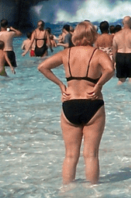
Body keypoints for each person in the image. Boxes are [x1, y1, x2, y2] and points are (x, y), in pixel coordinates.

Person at [37, 21, 115, 184]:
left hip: (70, 102)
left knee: (70, 155)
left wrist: (61, 85)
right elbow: (110, 70)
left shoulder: (67, 53)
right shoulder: (97, 54)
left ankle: (67, 194)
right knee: (91, 154)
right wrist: (99, 84)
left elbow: (43, 67)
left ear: (77, 35)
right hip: (92, 101)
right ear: (93, 35)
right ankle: (93, 194)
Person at [112, 16, 131, 84]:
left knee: (121, 80)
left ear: (122, 23)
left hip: (120, 56)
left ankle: (118, 94)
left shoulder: (116, 35)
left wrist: (114, 62)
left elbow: (114, 51)